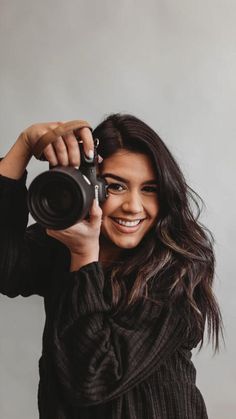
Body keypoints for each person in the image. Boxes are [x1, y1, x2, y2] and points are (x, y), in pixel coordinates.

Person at [0, 113, 223, 418]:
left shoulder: (176, 270)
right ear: (89, 184)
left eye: (150, 189)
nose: (133, 205)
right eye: (115, 187)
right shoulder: (63, 239)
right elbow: (6, 270)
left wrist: (83, 257)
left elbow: (93, 380)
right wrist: (22, 147)